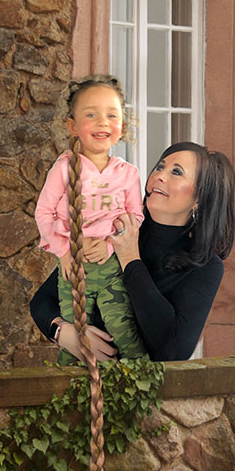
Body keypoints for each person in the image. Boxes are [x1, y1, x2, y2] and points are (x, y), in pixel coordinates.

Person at [30, 141, 235, 362]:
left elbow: (173, 350)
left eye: (176, 172)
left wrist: (129, 258)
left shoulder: (206, 266)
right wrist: (64, 333)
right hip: (82, 383)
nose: (160, 175)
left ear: (199, 199)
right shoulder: (111, 227)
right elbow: (43, 301)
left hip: (139, 392)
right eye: (160, 166)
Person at [34, 75, 147, 363]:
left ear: (122, 125)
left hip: (111, 269)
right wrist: (64, 252)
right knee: (75, 341)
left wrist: (110, 244)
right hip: (73, 269)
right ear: (72, 126)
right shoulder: (63, 168)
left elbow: (135, 217)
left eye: (112, 115)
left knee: (123, 330)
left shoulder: (128, 174)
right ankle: (66, 399)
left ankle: (139, 386)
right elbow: (44, 213)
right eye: (91, 114)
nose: (102, 122)